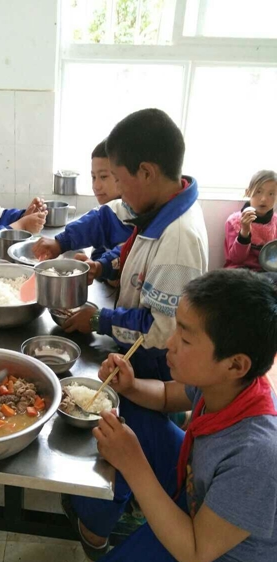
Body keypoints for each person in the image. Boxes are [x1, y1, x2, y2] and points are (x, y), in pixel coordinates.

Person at [46, 269, 277, 562]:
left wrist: (134, 464)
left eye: (184, 338)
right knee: (131, 413)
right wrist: (130, 386)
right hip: (196, 501)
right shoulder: (228, 386)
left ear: (236, 364)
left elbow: (195, 551)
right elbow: (171, 395)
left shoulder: (258, 456)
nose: (170, 344)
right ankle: (98, 518)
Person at [58, 109, 208, 382]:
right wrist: (103, 267)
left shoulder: (178, 240)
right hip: (137, 360)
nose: (118, 189)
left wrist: (98, 320)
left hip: (154, 373)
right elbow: (138, 258)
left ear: (146, 172)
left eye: (117, 178)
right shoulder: (161, 210)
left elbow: (162, 330)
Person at [32, 138, 129, 278]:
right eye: (93, 177)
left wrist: (60, 243)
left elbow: (95, 221)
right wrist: (103, 268)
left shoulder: (116, 210)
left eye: (103, 177)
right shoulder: (109, 215)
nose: (96, 186)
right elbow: (98, 245)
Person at [224, 169, 277, 271]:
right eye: (258, 192)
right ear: (248, 192)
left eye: (271, 194)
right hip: (240, 271)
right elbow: (236, 259)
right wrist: (244, 232)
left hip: (269, 273)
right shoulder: (235, 221)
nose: (264, 199)